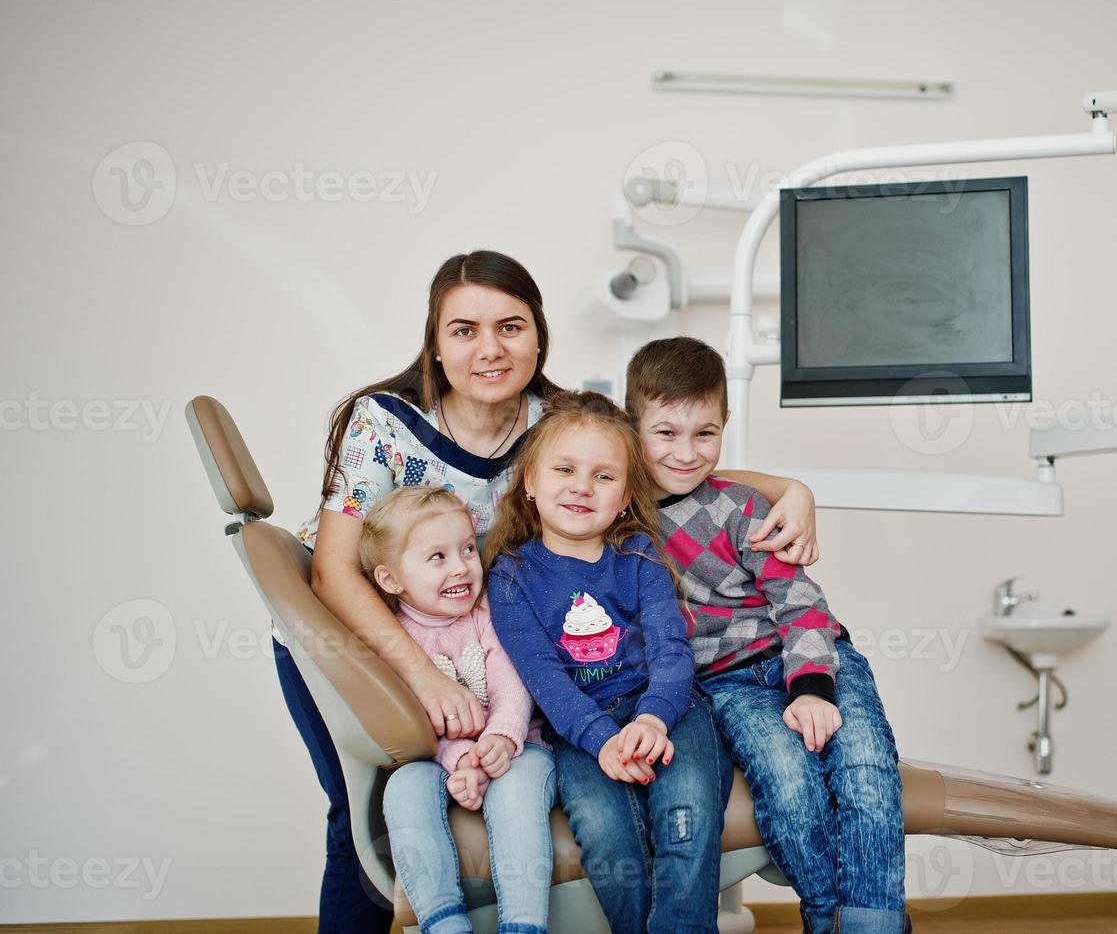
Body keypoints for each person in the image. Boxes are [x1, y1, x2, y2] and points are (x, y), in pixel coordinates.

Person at [292, 250, 820, 932]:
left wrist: (791, 490)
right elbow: (332, 572)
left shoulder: (558, 420)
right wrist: (425, 679)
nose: (489, 348)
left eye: (510, 326)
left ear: (538, 335)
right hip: (364, 639)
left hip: (492, 651)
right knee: (361, 821)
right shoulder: (385, 423)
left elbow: (671, 462)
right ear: (435, 342)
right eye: (463, 330)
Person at [626, 337, 909, 934]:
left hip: (814, 659)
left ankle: (874, 925)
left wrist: (810, 686)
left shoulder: (742, 506)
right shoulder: (616, 525)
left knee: (866, 773)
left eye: (705, 432)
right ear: (632, 427)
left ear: (725, 425)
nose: (686, 452)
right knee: (789, 788)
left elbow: (798, 600)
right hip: (728, 686)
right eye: (665, 433)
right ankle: (827, 916)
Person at [485, 391, 730, 934]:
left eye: (603, 476)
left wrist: (652, 719)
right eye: (565, 469)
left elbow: (671, 651)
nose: (581, 486)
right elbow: (544, 680)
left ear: (624, 496)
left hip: (669, 711)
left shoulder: (639, 555)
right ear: (529, 482)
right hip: (579, 730)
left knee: (687, 815)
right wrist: (602, 740)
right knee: (602, 829)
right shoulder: (510, 576)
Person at [359, 486, 553, 934]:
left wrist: (499, 739)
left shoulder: (488, 612)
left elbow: (512, 684)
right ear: (391, 580)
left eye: (468, 549)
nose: (462, 567)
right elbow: (410, 719)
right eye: (437, 557)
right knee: (402, 787)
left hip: (519, 745)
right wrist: (457, 758)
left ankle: (524, 925)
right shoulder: (394, 642)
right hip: (440, 761)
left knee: (517, 784)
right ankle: (444, 924)